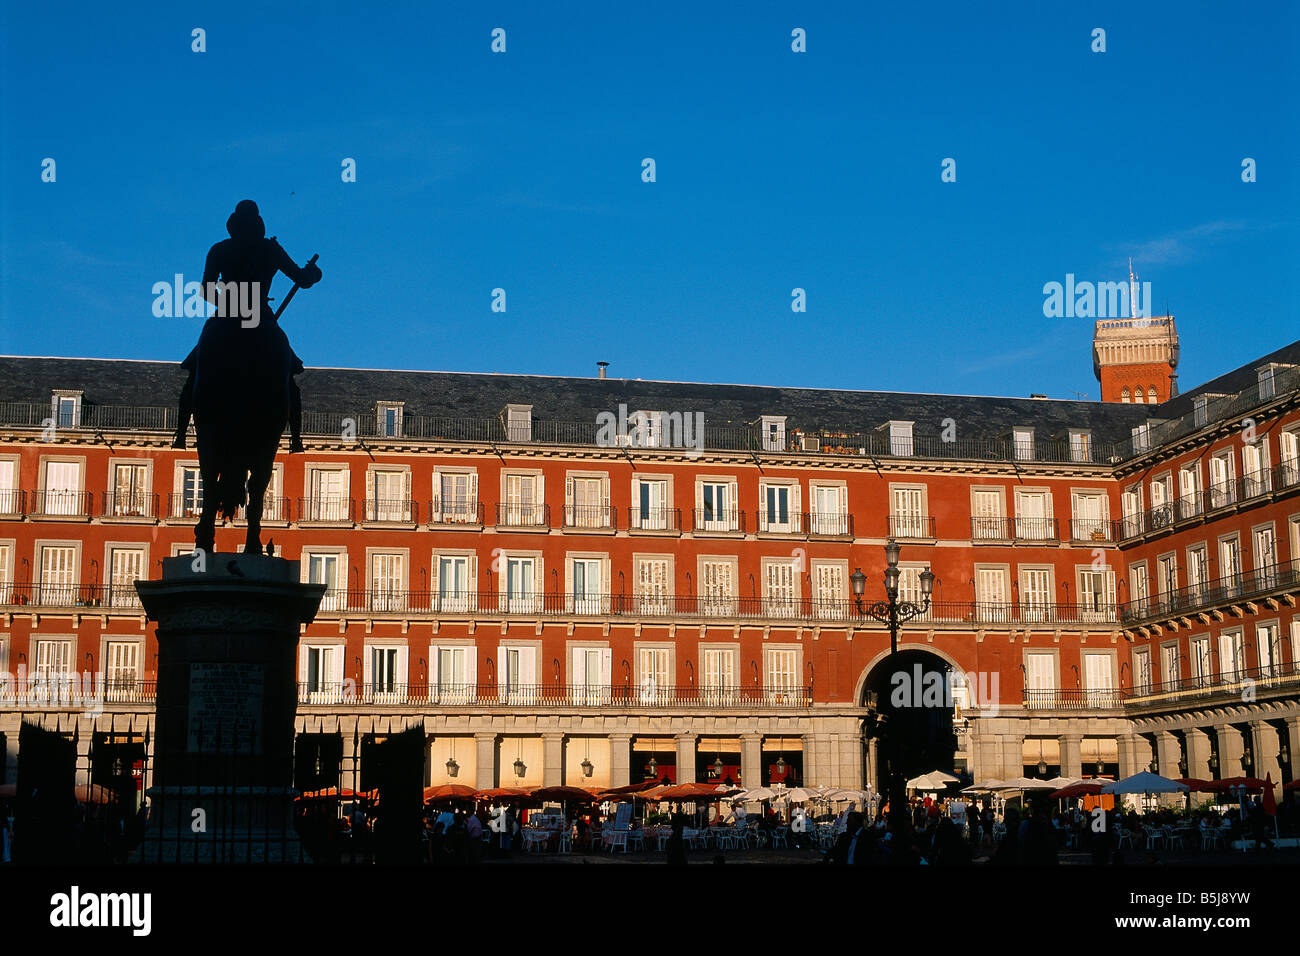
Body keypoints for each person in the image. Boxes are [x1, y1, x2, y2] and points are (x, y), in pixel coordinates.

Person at [173, 200, 321, 453]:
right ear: (258, 225)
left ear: (233, 225)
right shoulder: (270, 249)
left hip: (227, 315)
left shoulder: (219, 249)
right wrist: (313, 273)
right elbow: (302, 280)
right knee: (289, 374)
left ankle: (180, 433)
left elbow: (206, 290)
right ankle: (296, 437)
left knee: (195, 369)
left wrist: (231, 305)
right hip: (261, 316)